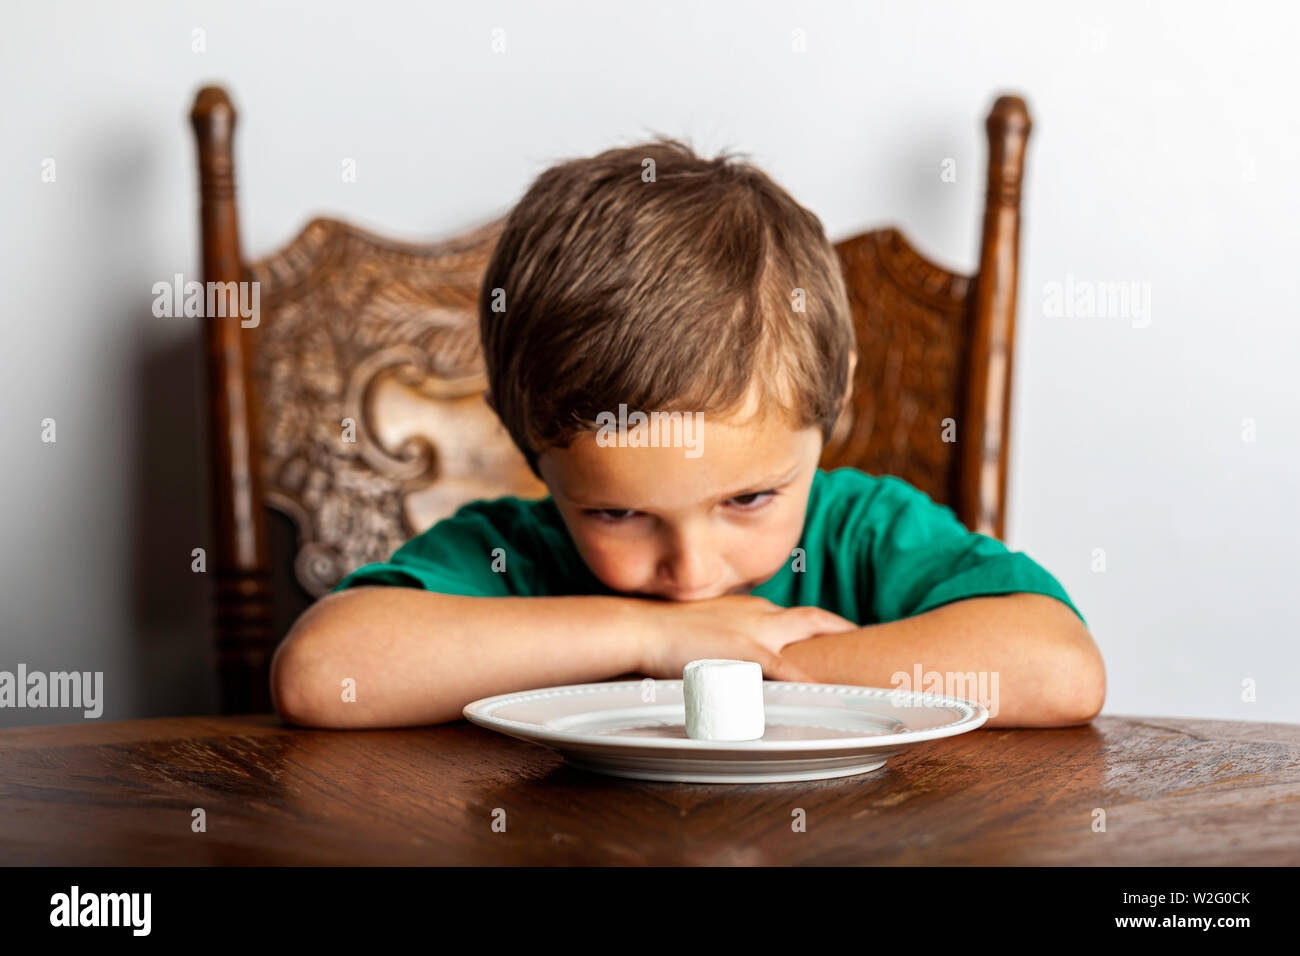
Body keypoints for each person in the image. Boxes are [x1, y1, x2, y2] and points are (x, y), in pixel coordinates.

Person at [270, 137, 1105, 730]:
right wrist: (652, 637)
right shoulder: (511, 556)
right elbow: (323, 675)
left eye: (747, 497)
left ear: (834, 403)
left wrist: (748, 661)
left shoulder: (862, 534)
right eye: (617, 515)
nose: (693, 571)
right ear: (524, 438)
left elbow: (1059, 672)